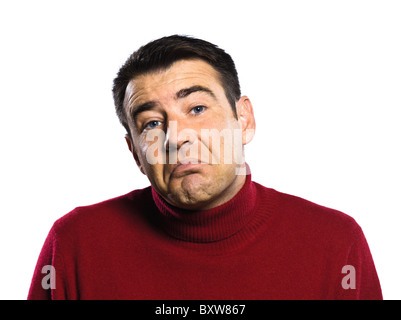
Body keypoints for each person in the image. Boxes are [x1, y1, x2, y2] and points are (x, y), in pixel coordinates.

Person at [28, 35, 382, 300]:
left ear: (243, 120)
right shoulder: (75, 243)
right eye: (151, 123)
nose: (176, 137)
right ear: (135, 153)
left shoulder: (335, 242)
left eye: (197, 109)